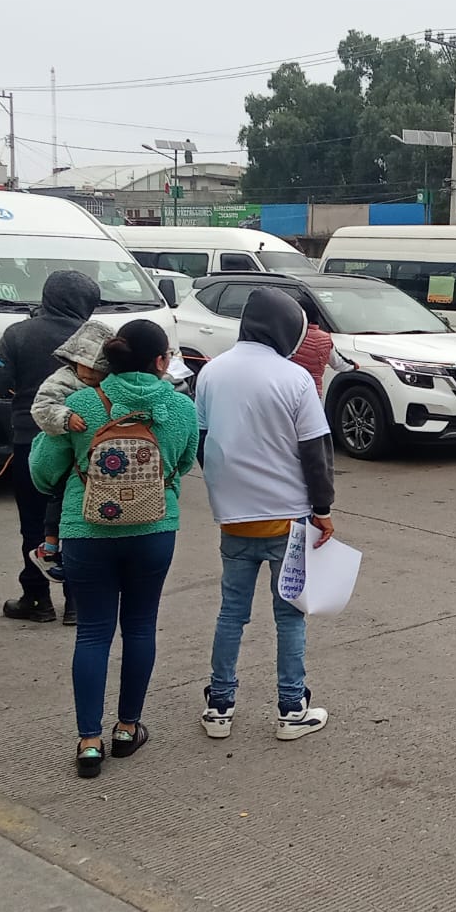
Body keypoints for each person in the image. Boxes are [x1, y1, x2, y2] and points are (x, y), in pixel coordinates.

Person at [29, 319, 198, 779]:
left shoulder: (81, 403)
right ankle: (127, 729)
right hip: (154, 531)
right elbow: (183, 464)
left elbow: (43, 473)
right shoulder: (181, 408)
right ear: (162, 361)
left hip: (86, 533)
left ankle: (88, 741)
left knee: (92, 634)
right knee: (140, 628)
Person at [196, 287, 336, 745]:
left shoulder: (211, 372)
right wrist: (322, 510)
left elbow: (203, 442)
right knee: (290, 618)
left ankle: (219, 706)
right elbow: (315, 452)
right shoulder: (293, 378)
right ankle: (291, 709)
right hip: (289, 520)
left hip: (233, 519)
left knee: (230, 613)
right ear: (284, 328)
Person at [0, 270, 101, 625]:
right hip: (82, 447)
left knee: (34, 524)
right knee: (77, 520)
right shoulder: (92, 340)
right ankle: (76, 601)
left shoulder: (18, 334)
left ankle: (36, 598)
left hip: (32, 442)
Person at [26, 319, 113, 581]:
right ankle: (50, 548)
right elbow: (42, 406)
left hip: (94, 456)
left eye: (97, 370)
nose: (89, 374)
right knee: (59, 496)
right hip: (65, 453)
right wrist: (65, 418)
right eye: (83, 366)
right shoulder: (61, 380)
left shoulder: (109, 384)